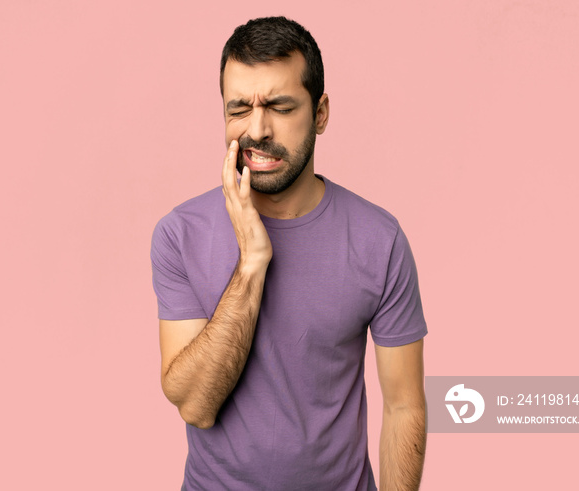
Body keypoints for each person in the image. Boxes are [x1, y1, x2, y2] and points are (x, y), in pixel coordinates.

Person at [151, 16, 427, 491]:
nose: (257, 130)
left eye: (279, 106)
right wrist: (252, 264)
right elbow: (196, 405)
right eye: (239, 108)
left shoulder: (378, 240)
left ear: (320, 113)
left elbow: (404, 406)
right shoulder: (180, 234)